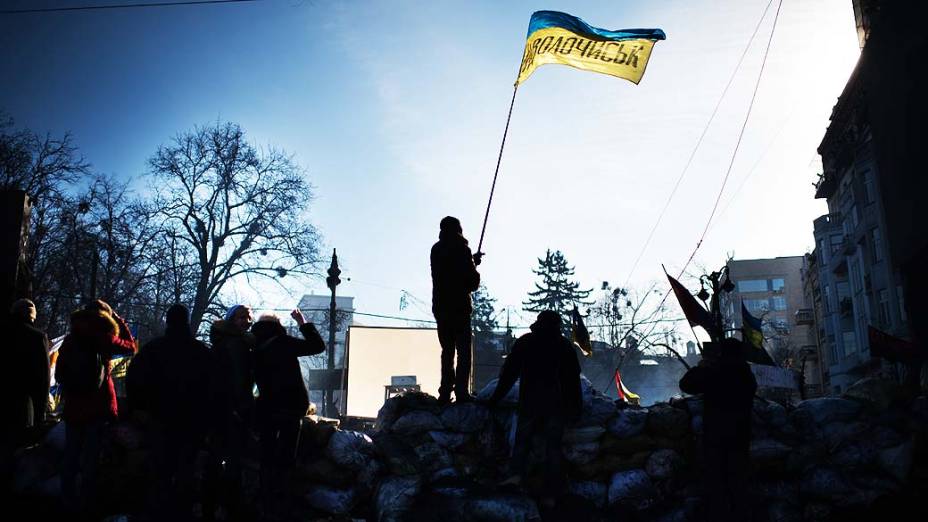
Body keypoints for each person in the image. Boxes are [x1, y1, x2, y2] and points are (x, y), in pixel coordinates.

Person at [486, 310, 581, 506]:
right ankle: (550, 494)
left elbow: (509, 375)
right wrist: (575, 409)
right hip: (555, 405)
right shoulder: (564, 346)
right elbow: (573, 383)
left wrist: (495, 399)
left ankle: (517, 479)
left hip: (529, 402)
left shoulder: (526, 342)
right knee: (552, 448)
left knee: (522, 443)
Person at [128, 304, 211, 520]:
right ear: (186, 321)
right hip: (192, 423)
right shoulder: (201, 352)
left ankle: (157, 513)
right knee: (187, 471)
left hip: (159, 419)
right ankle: (182, 513)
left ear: (168, 321)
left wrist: (139, 408)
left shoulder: (153, 350)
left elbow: (134, 380)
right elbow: (213, 387)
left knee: (160, 472)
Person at [56, 299, 137, 514]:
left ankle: (66, 502)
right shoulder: (104, 337)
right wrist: (120, 319)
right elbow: (131, 347)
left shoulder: (70, 340)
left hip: (74, 408)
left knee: (71, 457)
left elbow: (59, 374)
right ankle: (86, 506)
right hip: (98, 408)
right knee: (91, 460)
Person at [250, 310, 325, 512]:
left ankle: (264, 502)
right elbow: (318, 346)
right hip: (291, 407)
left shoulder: (253, 347)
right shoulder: (283, 343)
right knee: (286, 457)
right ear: (277, 325)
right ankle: (282, 504)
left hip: (266, 408)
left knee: (266, 457)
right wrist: (302, 322)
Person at [679, 338, 757, 522]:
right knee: (739, 486)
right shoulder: (746, 373)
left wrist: (703, 366)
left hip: (716, 438)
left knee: (717, 487)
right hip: (741, 437)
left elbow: (686, 385)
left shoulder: (716, 371)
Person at [205, 304, 256, 517]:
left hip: (220, 409)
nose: (245, 321)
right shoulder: (238, 345)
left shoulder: (224, 342)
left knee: (217, 459)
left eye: (248, 317)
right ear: (232, 320)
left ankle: (212, 506)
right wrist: (240, 406)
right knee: (233, 461)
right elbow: (238, 380)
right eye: (241, 317)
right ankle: (230, 507)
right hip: (233, 410)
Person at [2, 299, 50, 499]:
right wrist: (41, 413)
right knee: (15, 450)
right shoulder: (37, 337)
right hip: (22, 405)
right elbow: (43, 379)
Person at [431, 216, 481, 404]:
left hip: (441, 308)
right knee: (463, 352)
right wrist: (473, 265)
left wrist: (470, 262)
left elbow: (451, 272)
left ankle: (445, 392)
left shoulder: (436, 250)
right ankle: (461, 391)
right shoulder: (462, 249)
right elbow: (471, 282)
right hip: (459, 308)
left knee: (447, 351)